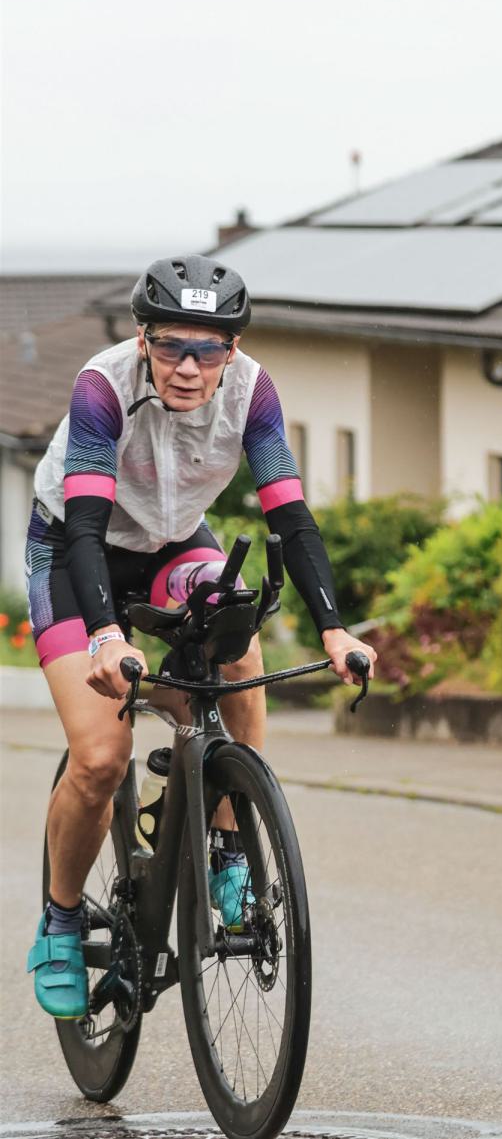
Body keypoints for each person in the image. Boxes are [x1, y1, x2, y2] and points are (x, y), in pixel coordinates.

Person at [25, 255, 377, 1020]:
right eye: (171, 346)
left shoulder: (253, 392)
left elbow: (291, 515)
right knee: (100, 756)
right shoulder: (102, 386)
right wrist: (107, 634)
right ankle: (59, 921)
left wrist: (334, 627)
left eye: (208, 349)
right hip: (75, 551)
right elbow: (84, 527)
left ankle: (225, 840)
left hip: (174, 543)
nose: (188, 367)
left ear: (233, 350)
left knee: (236, 628)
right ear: (143, 339)